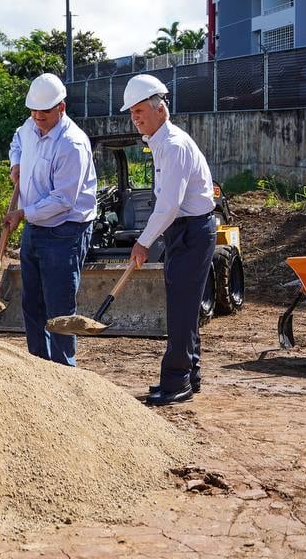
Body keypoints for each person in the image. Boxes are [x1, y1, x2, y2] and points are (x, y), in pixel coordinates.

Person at [120, 74, 216, 406]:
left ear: (161, 109)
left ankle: (176, 383)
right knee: (184, 308)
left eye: (141, 110)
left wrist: (143, 242)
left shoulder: (173, 146)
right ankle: (190, 376)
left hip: (192, 230)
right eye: (132, 112)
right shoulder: (159, 144)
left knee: (181, 310)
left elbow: (168, 205)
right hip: (183, 230)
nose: (136, 118)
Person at [5, 73, 97, 366]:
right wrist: (16, 163)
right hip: (35, 225)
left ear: (62, 107)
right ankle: (39, 368)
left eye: (45, 111)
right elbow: (17, 140)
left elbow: (63, 200)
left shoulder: (72, 144)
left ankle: (64, 371)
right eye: (33, 111)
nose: (38, 117)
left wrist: (22, 213)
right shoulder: (30, 127)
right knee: (32, 302)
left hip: (65, 231)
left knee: (59, 309)